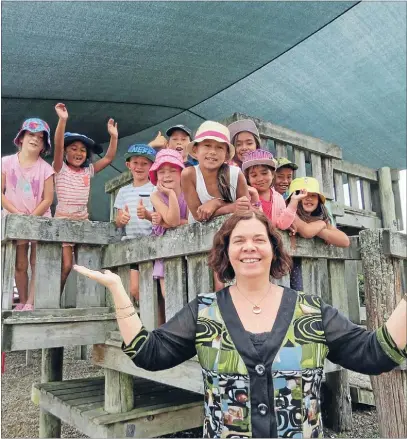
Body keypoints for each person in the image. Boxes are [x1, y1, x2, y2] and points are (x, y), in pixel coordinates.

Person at [74, 210, 407, 439]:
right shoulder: (204, 312)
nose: (249, 247)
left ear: (274, 250)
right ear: (227, 252)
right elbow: (150, 354)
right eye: (239, 240)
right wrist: (119, 291)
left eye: (259, 240)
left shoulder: (311, 311)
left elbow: (375, 355)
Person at [53, 103, 118, 294]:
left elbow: (108, 158)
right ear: (65, 152)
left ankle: (83, 300)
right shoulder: (60, 168)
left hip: (83, 221)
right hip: (63, 221)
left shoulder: (88, 170)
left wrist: (113, 137)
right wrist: (62, 120)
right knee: (65, 266)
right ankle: (54, 297)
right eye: (73, 148)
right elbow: (57, 144)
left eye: (82, 150)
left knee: (86, 265)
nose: (79, 153)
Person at [2, 118, 55, 310]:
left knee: (37, 262)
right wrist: (16, 214)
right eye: (31, 134)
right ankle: (22, 300)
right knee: (20, 262)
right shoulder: (6, 163)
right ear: (21, 138)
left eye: (41, 138)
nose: (35, 139)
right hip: (14, 220)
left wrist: (31, 218)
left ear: (44, 146)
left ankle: (31, 302)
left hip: (39, 220)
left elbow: (48, 199)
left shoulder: (46, 169)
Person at [181, 120, 251, 224]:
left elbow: (245, 209)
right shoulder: (189, 174)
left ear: (226, 154)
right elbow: (198, 215)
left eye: (219, 147)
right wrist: (228, 206)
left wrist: (217, 203)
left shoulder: (235, 174)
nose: (213, 152)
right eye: (207, 145)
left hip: (229, 233)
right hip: (198, 236)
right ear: (196, 150)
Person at [287, 177, 350, 290]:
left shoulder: (317, 219)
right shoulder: (290, 214)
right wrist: (321, 225)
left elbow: (345, 241)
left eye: (313, 195)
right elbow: (306, 232)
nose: (309, 199)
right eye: (304, 194)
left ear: (318, 200)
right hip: (287, 266)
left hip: (309, 269)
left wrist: (319, 229)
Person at [148, 149, 188, 324]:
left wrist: (175, 222)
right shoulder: (156, 195)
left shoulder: (189, 191)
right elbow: (173, 221)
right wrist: (171, 195)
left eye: (172, 170)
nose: (167, 175)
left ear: (181, 172)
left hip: (189, 246)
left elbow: (189, 222)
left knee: (192, 289)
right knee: (168, 294)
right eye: (162, 171)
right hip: (166, 250)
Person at [114, 144, 157, 302]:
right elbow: (118, 222)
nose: (139, 167)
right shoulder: (123, 191)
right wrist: (122, 219)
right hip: (132, 245)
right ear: (128, 165)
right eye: (135, 163)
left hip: (152, 243)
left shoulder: (155, 189)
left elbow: (160, 219)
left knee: (153, 287)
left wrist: (146, 215)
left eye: (144, 163)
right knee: (135, 289)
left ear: (152, 166)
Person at [241, 149, 305, 230]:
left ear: (273, 174)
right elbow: (255, 223)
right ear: (248, 178)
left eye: (264, 173)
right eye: (254, 175)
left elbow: (282, 224)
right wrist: (255, 198)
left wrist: (293, 202)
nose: (260, 178)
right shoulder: (246, 195)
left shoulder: (279, 198)